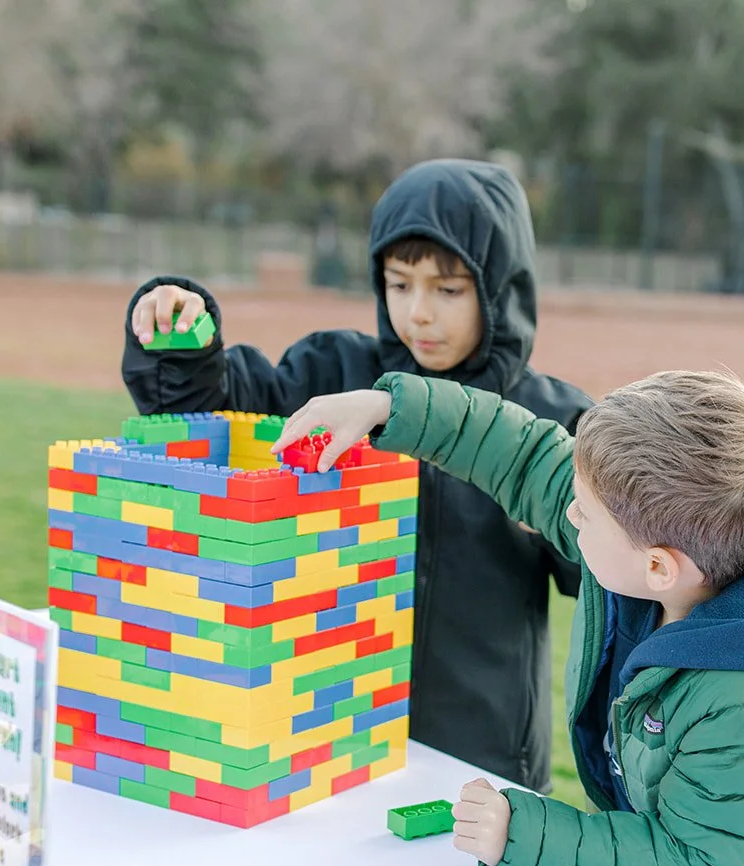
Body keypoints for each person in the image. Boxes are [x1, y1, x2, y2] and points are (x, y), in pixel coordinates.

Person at [270, 369, 744, 866]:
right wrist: (385, 407)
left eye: (582, 514)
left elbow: (689, 861)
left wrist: (527, 837)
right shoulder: (646, 550)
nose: (565, 515)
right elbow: (528, 456)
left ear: (661, 567)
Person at [120, 159, 592, 792]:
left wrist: (551, 505)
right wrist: (180, 346)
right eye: (399, 285)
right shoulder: (332, 375)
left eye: (448, 290)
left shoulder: (550, 421)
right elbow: (226, 410)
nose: (419, 313)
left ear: (501, 289)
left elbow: (608, 572)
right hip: (325, 735)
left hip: (483, 756)